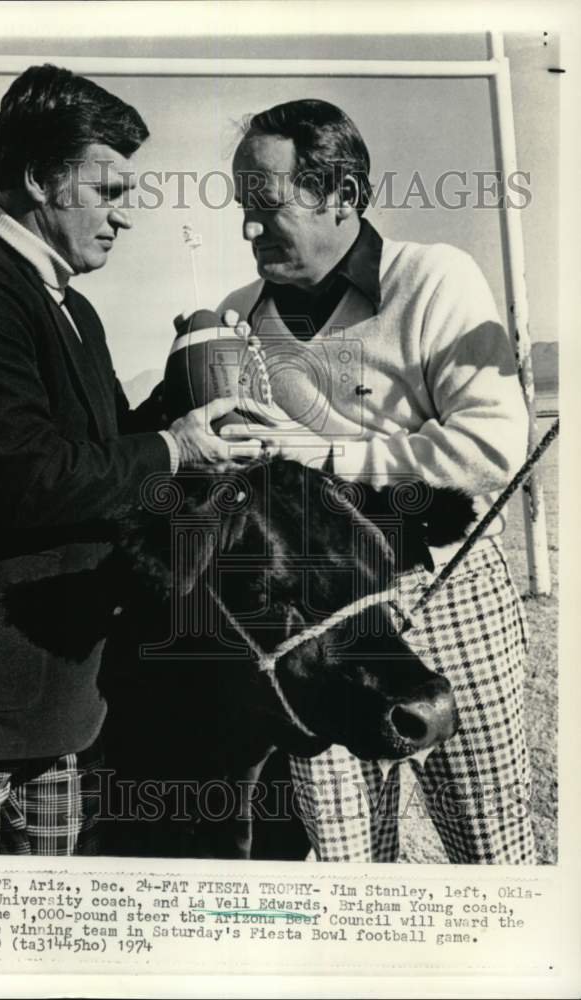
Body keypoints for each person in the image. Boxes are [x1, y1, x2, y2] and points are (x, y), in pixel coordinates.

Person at [0, 63, 255, 855]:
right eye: (108, 191)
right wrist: (172, 446)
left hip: (60, 711)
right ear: (37, 179)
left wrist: (190, 394)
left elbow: (102, 452)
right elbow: (24, 477)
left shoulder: (68, 305)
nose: (125, 218)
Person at [218, 99, 536, 864]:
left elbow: (492, 445)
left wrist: (321, 451)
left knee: (491, 855)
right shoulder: (235, 317)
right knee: (344, 862)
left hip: (451, 592)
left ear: (344, 197)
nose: (249, 230)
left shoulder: (433, 278)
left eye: (269, 207)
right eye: (243, 210)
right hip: (323, 620)